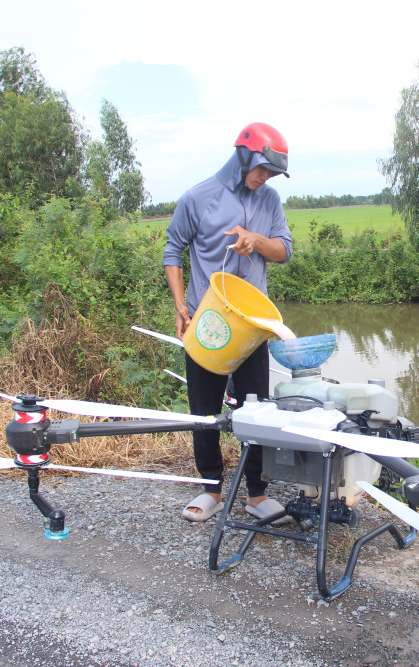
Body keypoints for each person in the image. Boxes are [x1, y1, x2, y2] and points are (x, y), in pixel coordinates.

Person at [163, 122, 293, 522]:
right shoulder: (198, 198)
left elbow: (284, 251)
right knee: (204, 411)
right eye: (263, 168)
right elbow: (173, 250)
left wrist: (256, 239)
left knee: (256, 410)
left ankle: (256, 494)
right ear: (243, 156)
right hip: (208, 323)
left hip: (252, 325)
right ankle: (210, 490)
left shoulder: (270, 200)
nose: (266, 177)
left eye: (272, 173)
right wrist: (180, 306)